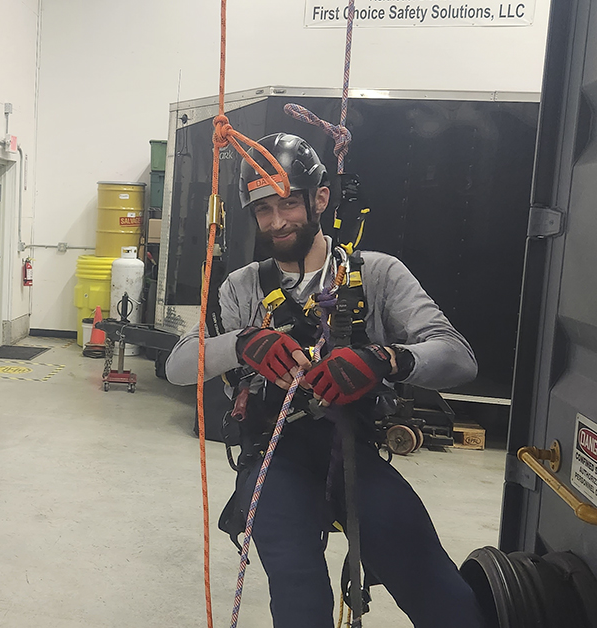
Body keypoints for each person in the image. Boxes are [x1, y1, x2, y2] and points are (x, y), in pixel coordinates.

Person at [166, 133, 485, 627]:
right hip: (273, 457)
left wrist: (385, 359)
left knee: (439, 591)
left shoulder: (375, 275)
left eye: (288, 204)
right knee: (300, 595)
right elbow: (178, 366)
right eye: (263, 210)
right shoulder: (243, 288)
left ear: (319, 198)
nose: (277, 221)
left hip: (353, 450)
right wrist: (242, 343)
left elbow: (459, 358)